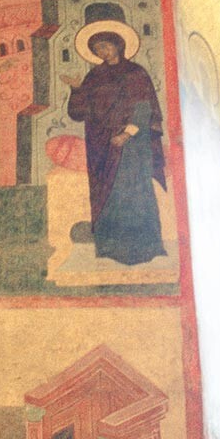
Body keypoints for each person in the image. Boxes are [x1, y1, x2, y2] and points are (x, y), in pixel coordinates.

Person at [66, 27, 165, 265]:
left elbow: (144, 107)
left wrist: (127, 134)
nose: (103, 51)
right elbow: (78, 113)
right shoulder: (94, 76)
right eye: (97, 48)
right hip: (100, 145)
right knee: (105, 193)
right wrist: (77, 89)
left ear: (118, 45)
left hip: (131, 145)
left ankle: (143, 247)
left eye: (106, 45)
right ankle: (109, 245)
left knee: (132, 190)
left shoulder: (135, 73)